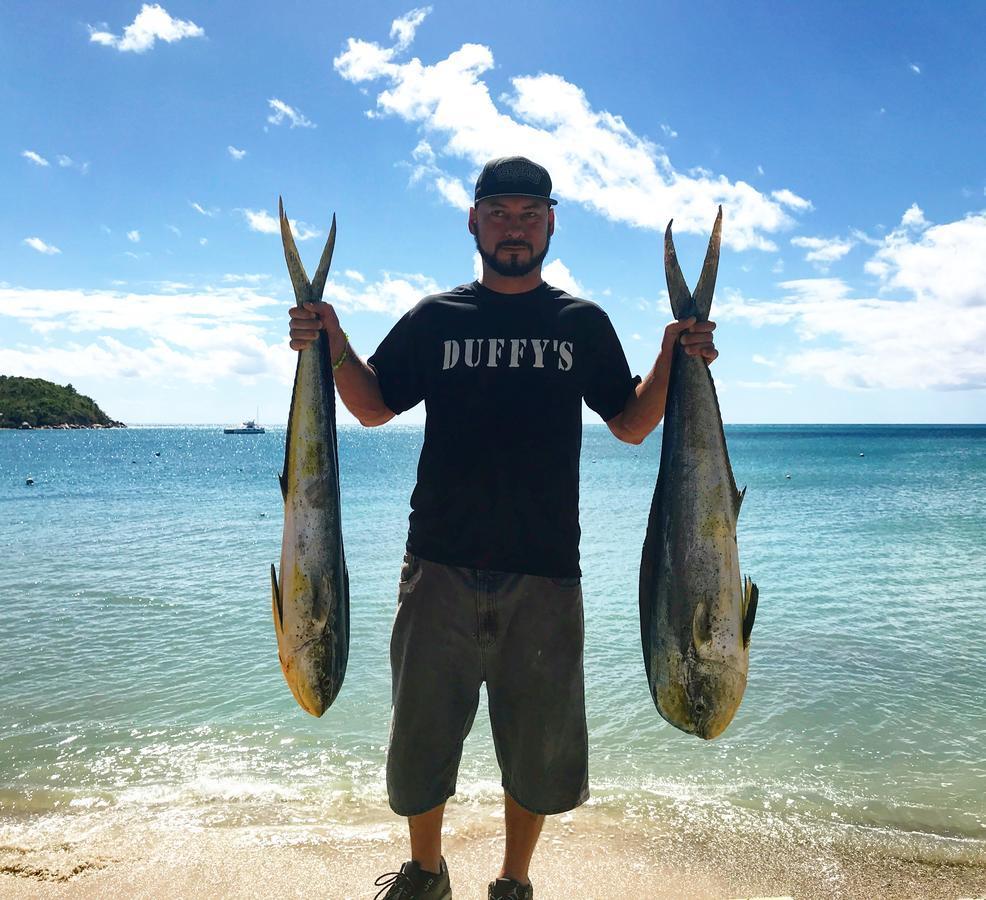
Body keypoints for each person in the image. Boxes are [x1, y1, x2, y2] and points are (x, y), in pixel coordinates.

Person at [288, 157, 717, 900]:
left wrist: (674, 357)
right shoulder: (435, 317)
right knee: (420, 741)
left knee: (539, 751)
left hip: (547, 572)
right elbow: (372, 406)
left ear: (551, 222)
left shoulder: (580, 323)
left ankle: (513, 880)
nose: (513, 227)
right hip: (438, 567)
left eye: (527, 213)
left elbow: (629, 423)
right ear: (473, 222)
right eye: (498, 212)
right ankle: (426, 872)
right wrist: (328, 340)